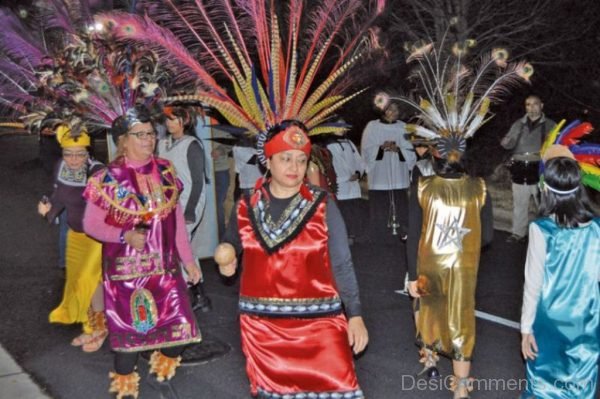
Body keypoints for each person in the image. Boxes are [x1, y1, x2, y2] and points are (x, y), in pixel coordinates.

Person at [217, 121, 368, 399]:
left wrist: (355, 314)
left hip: (321, 325)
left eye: (301, 160)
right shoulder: (247, 204)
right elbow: (231, 242)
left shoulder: (323, 204)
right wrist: (226, 255)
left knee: (338, 389)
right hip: (263, 329)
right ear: (268, 161)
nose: (294, 167)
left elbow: (342, 262)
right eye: (285, 158)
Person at [82, 105, 202, 399]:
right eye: (140, 135)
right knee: (130, 344)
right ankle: (124, 388)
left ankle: (160, 376)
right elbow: (91, 225)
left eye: (151, 133)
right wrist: (123, 235)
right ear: (123, 140)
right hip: (127, 275)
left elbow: (176, 226)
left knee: (182, 331)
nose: (148, 139)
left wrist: (189, 261)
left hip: (166, 271)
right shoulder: (108, 178)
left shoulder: (165, 171)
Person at [407, 154, 494, 398]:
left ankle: (430, 361)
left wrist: (413, 275)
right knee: (461, 318)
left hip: (429, 263)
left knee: (426, 308)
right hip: (463, 266)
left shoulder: (423, 185)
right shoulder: (479, 187)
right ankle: (461, 385)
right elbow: (487, 236)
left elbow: (412, 233)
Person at [520, 151, 599, 398]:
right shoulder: (596, 228)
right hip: (587, 317)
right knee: (581, 385)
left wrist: (525, 329)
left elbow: (533, 283)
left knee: (543, 385)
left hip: (550, 318)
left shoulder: (542, 229)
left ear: (547, 190)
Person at [38, 125, 107, 352]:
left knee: (90, 280)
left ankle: (98, 329)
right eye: (69, 153)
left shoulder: (98, 172)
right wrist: (48, 209)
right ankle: (92, 324)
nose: (74, 159)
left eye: (80, 154)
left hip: (97, 237)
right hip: (75, 233)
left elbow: (115, 204)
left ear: (88, 153)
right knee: (78, 281)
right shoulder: (61, 167)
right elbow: (58, 194)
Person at [157, 105, 211, 312]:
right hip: (169, 202)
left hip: (190, 201)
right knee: (179, 247)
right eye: (167, 120)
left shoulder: (192, 145)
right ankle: (197, 294)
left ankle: (194, 294)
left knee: (181, 247)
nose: (170, 123)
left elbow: (198, 181)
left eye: (174, 119)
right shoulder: (163, 143)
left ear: (185, 120)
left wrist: (189, 211)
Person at [501, 95, 556, 243]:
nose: (531, 108)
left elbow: (558, 148)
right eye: (528, 105)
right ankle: (518, 233)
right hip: (519, 169)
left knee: (544, 205)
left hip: (540, 170)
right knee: (519, 203)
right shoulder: (518, 124)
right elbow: (507, 143)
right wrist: (506, 141)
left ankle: (547, 234)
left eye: (535, 104)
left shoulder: (551, 125)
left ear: (541, 105)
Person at [361, 101, 416, 241]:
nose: (395, 112)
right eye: (392, 109)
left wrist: (399, 150)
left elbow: (410, 151)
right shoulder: (372, 127)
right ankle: (380, 237)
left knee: (401, 205)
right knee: (380, 209)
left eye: (397, 109)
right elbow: (367, 151)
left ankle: (403, 234)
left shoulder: (403, 127)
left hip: (399, 176)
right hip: (379, 176)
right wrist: (381, 148)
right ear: (384, 111)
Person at [327, 132, 366, 244]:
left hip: (353, 184)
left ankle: (352, 234)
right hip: (342, 186)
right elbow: (338, 163)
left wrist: (358, 172)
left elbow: (358, 160)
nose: (343, 130)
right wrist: (349, 176)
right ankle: (344, 236)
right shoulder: (330, 145)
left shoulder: (349, 142)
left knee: (353, 211)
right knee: (343, 211)